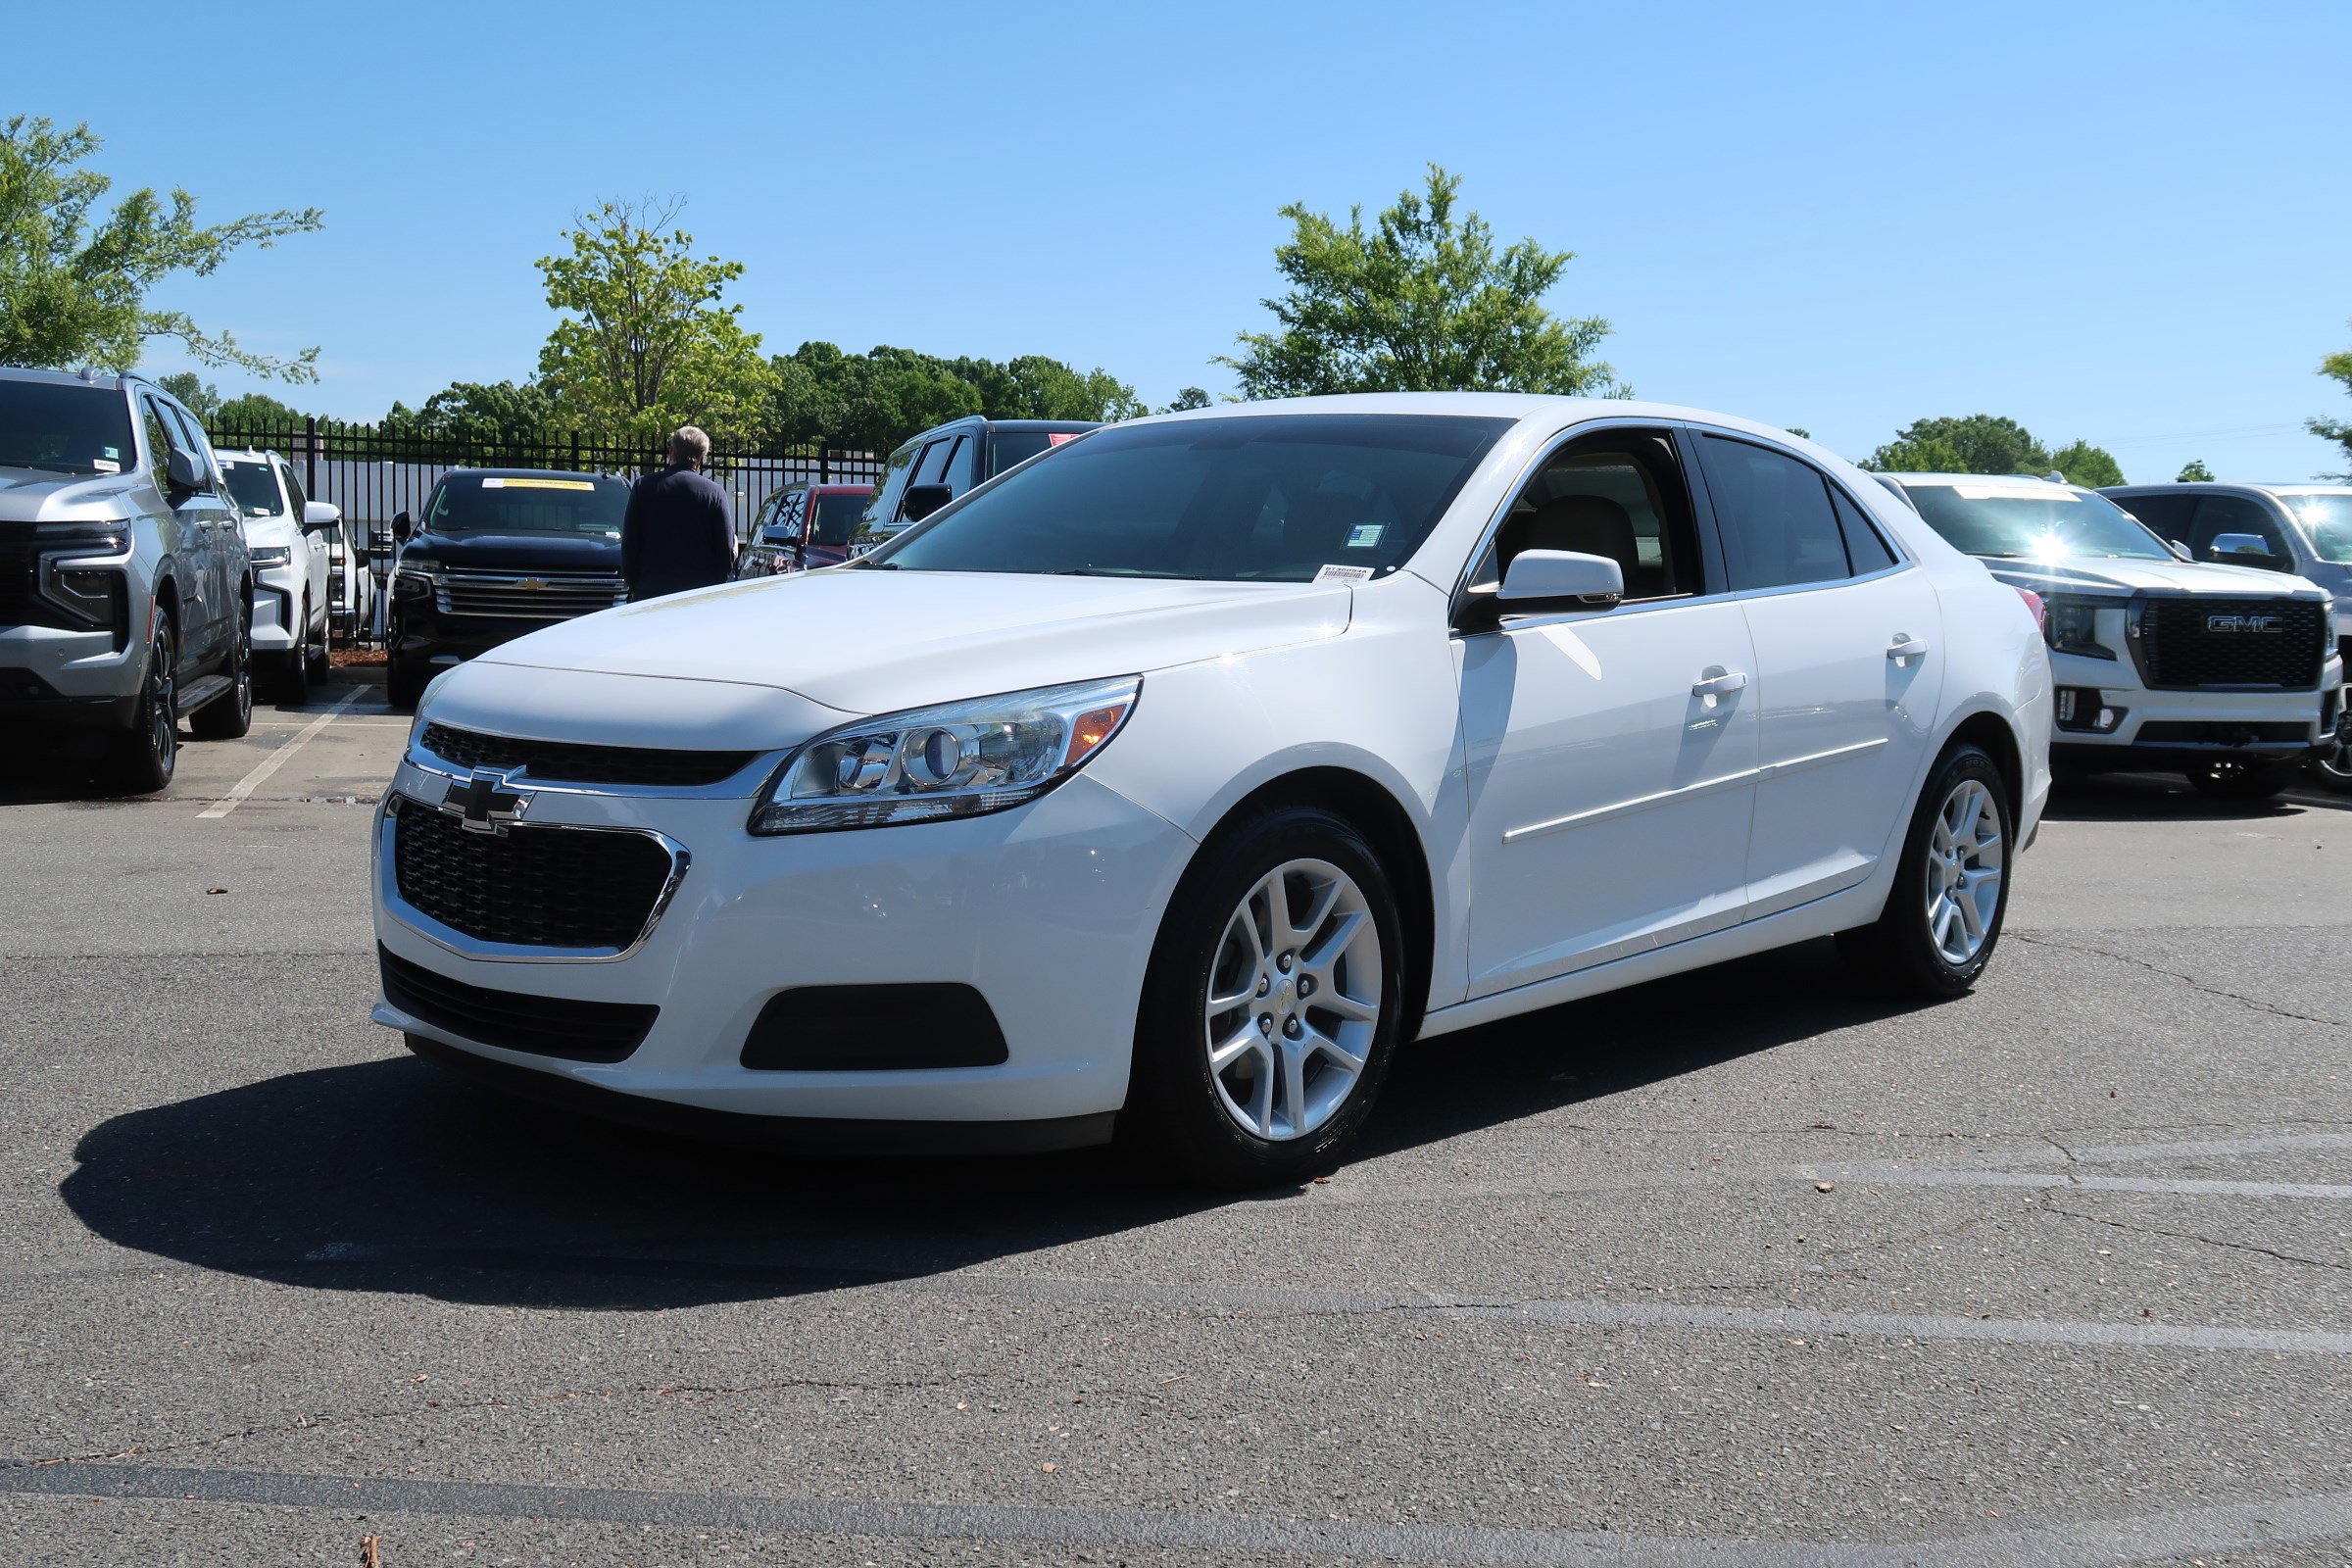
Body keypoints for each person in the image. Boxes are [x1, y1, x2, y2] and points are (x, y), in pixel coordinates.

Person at [620, 426, 736, 601]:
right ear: (700, 459)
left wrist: (634, 584)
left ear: (671, 453)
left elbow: (630, 543)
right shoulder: (714, 492)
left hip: (651, 590)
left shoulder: (644, 487)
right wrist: (717, 581)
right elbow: (725, 548)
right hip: (699, 593)